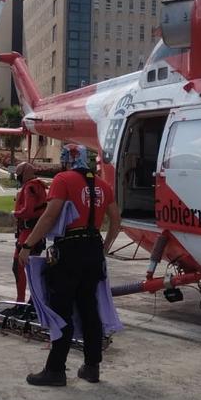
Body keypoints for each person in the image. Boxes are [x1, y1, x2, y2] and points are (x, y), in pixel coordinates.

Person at [19, 144, 121, 386]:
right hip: (93, 247)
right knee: (89, 308)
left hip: (70, 249)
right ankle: (91, 367)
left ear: (66, 159)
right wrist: (104, 247)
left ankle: (55, 370)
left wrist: (28, 245)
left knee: (61, 308)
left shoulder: (63, 180)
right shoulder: (103, 185)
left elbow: (50, 214)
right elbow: (116, 221)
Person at [11, 161, 47, 303]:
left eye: (19, 175)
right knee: (32, 269)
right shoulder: (38, 186)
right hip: (35, 234)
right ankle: (34, 301)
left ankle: (23, 301)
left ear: (24, 174)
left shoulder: (30, 187)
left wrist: (15, 213)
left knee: (18, 267)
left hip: (28, 234)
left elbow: (27, 210)